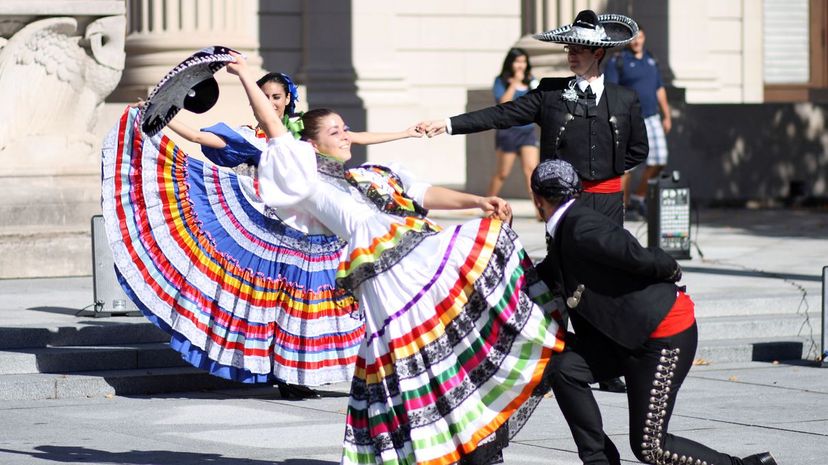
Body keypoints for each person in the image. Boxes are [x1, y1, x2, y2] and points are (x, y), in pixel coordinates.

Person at [226, 51, 565, 465]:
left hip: (417, 267)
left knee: (454, 346)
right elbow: (277, 131)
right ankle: (436, 446)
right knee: (412, 367)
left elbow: (423, 194)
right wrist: (245, 75)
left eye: (346, 128)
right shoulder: (308, 181)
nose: (346, 135)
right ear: (311, 144)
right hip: (386, 286)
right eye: (335, 131)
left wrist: (478, 200)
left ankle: (480, 440)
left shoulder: (372, 175)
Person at [104, 47, 366, 401]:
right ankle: (286, 375)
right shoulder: (263, 138)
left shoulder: (309, 140)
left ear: (289, 99)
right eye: (266, 96)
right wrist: (160, 115)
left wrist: (406, 133)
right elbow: (201, 138)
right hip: (266, 221)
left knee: (313, 306)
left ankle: (306, 371)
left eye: (277, 96)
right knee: (275, 304)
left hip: (312, 231)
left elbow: (357, 138)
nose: (272, 102)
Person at [531, 158, 778, 465]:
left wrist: (668, 267)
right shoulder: (566, 231)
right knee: (564, 369)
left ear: (537, 200)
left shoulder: (581, 227)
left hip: (662, 334)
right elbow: (545, 275)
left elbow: (631, 252)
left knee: (651, 447)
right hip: (622, 336)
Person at [420, 10, 648, 227]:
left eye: (578, 49)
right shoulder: (549, 93)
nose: (571, 55)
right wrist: (449, 123)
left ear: (598, 53)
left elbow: (638, 149)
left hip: (608, 201)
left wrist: (607, 167)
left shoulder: (624, 98)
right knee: (566, 263)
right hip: (563, 201)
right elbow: (502, 114)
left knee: (608, 263)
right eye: (569, 49)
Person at [604, 25, 671, 220]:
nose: (636, 41)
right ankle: (621, 207)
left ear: (644, 37)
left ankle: (637, 198)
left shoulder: (651, 59)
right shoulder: (618, 60)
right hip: (629, 119)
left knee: (659, 160)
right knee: (627, 166)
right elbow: (612, 91)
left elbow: (659, 88)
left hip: (652, 117)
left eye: (639, 36)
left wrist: (667, 115)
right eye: (632, 37)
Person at [488, 47, 540, 200]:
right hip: (508, 132)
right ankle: (487, 204)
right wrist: (515, 83)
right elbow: (503, 103)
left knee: (532, 171)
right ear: (511, 62)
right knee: (502, 173)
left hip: (527, 131)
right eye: (518, 61)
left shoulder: (531, 80)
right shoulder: (501, 80)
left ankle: (540, 210)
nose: (521, 65)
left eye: (523, 61)